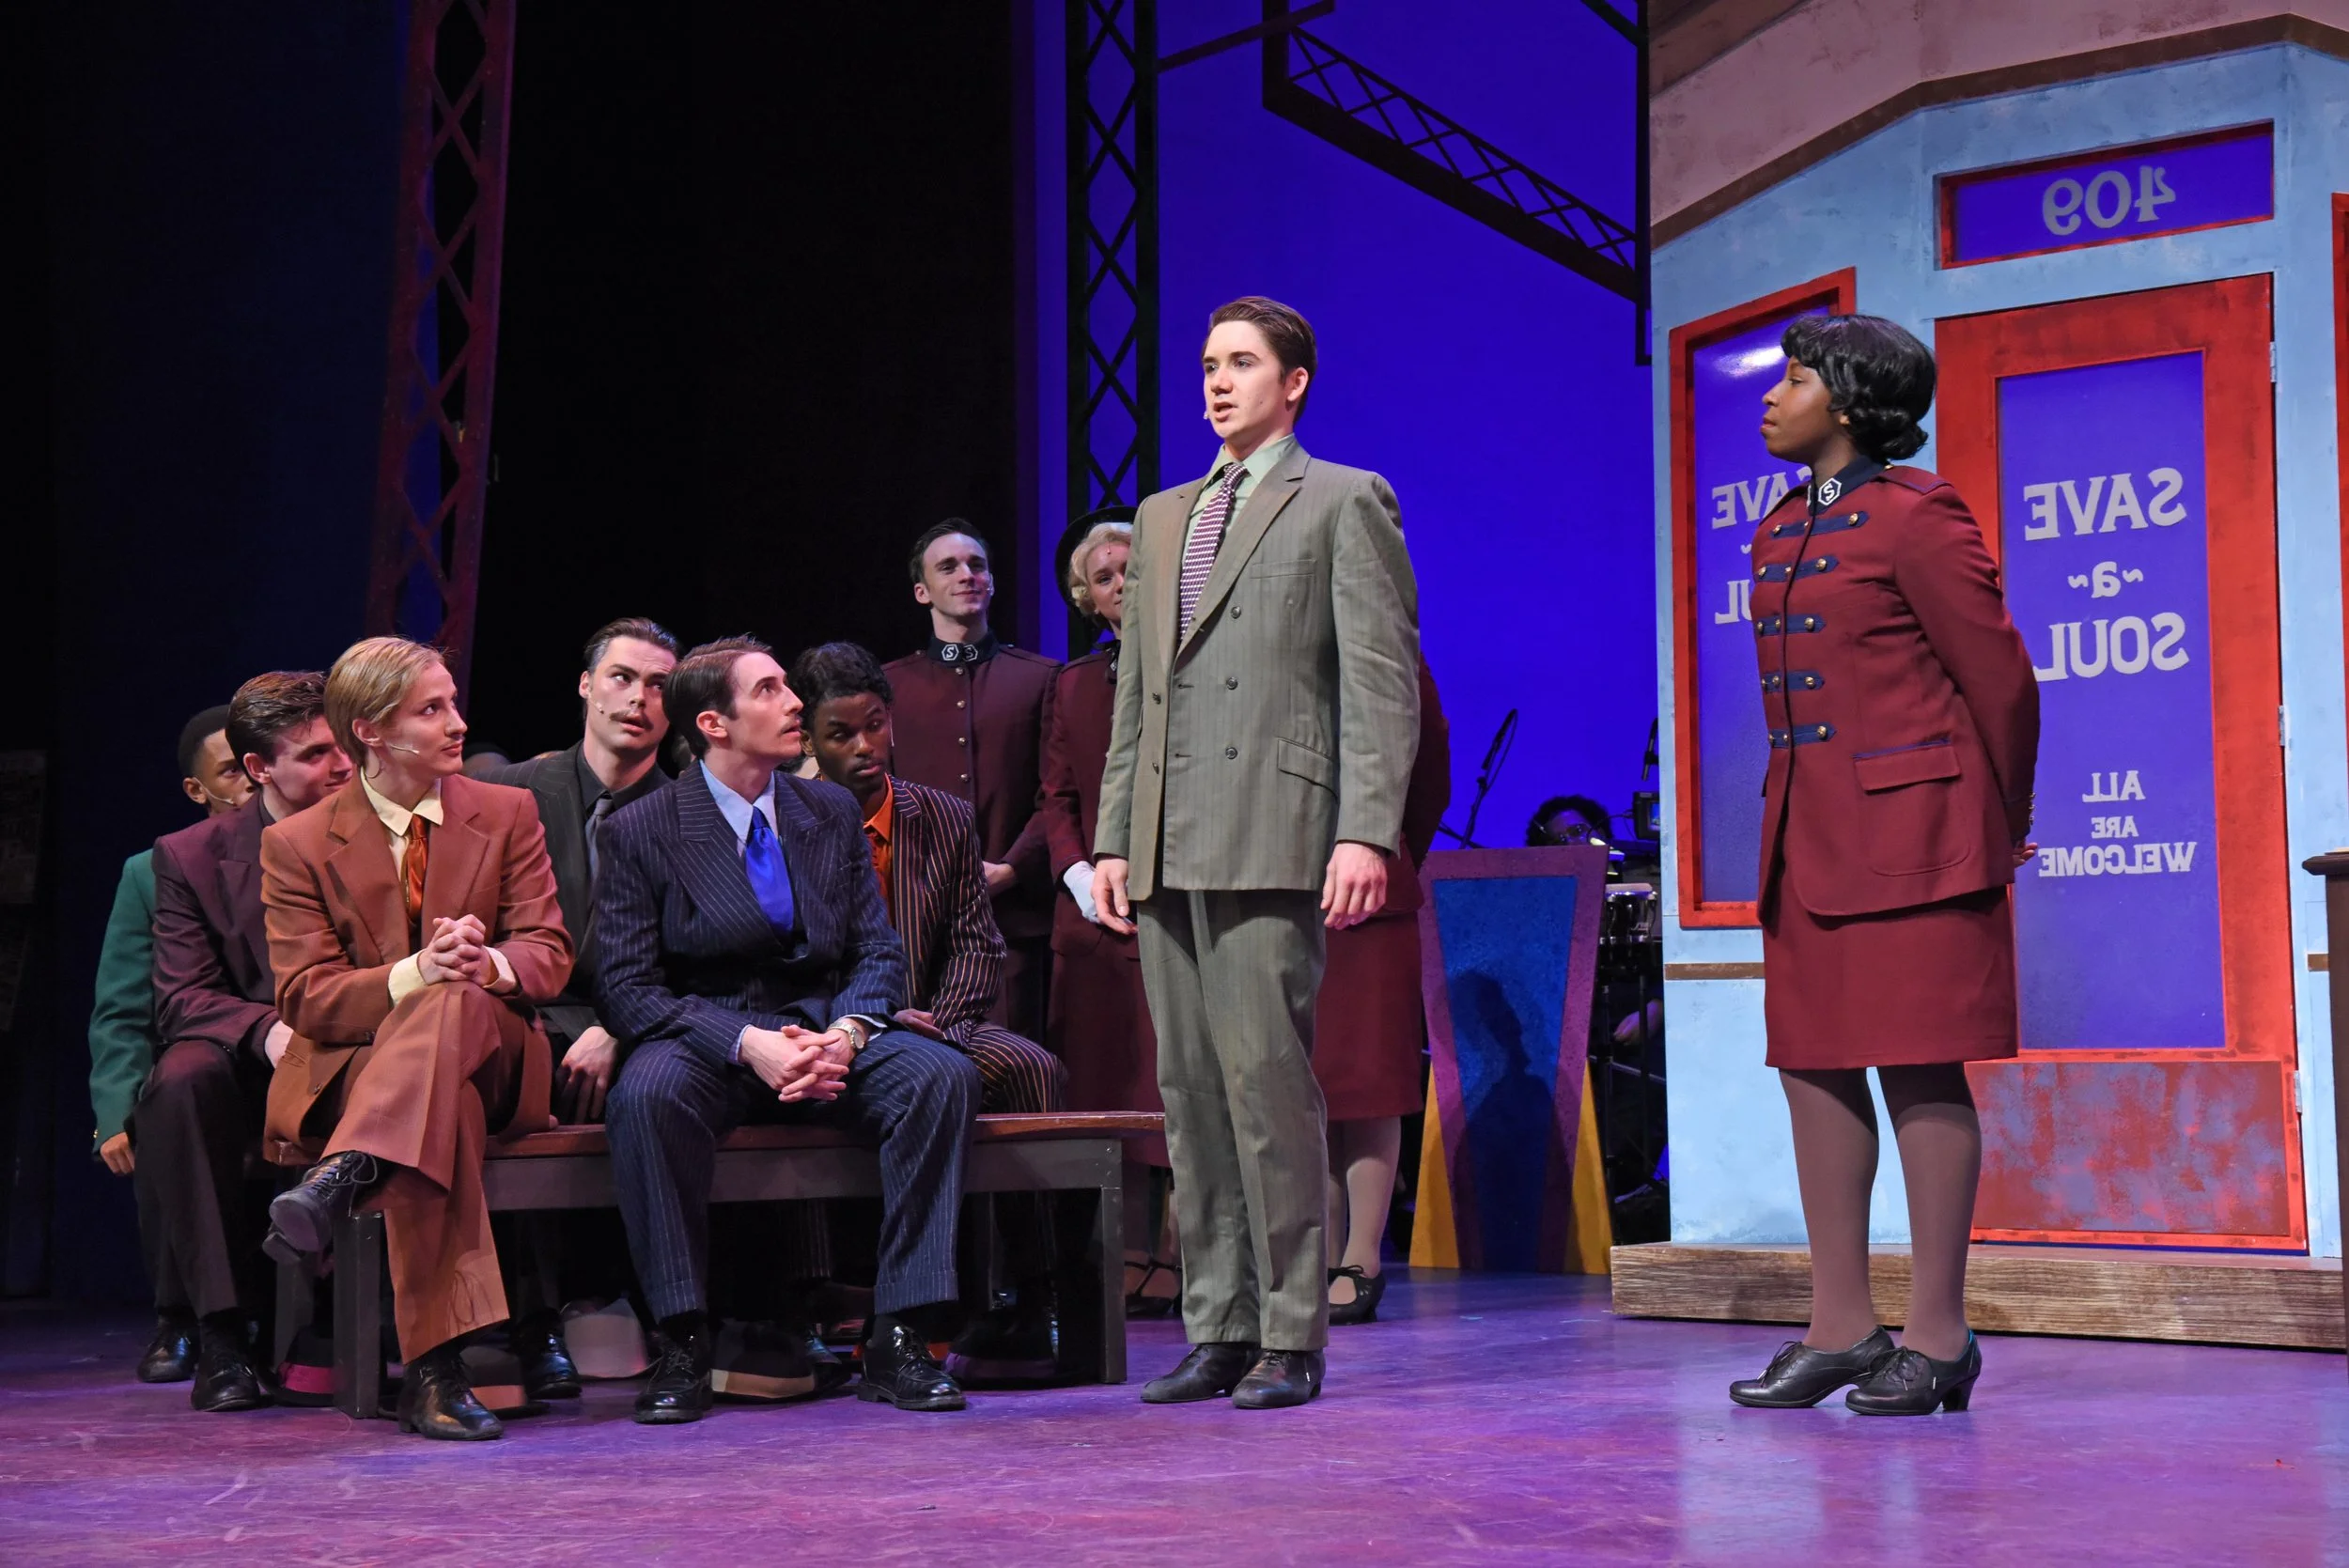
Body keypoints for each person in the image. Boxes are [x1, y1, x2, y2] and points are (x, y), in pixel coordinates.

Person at [1095, 296, 1421, 1408]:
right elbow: (1137, 696)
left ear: (1294, 382)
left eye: (1240, 362)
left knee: (1265, 1086)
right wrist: (1113, 836)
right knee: (1189, 1093)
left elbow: (1378, 682)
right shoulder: (1161, 515)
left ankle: (1290, 1327)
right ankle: (1219, 1322)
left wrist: (1364, 828)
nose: (1217, 383)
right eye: (1207, 365)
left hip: (1270, 827)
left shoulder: (1341, 498)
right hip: (1166, 834)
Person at [1727, 314, 2037, 1418]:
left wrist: (2002, 820)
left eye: (1795, 380)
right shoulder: (1781, 525)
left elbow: (1999, 680)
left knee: (1918, 1065)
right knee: (1811, 1065)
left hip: (1917, 837)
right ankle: (1841, 1326)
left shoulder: (1916, 514)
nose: (1772, 398)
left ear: (1851, 403)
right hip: (1807, 838)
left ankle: (1940, 1337)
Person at [596, 637, 981, 1423]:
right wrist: (748, 1043)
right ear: (715, 723)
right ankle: (683, 1339)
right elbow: (629, 990)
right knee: (646, 1096)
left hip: (822, 1031)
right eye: (769, 690)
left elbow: (876, 949)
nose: (794, 701)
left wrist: (846, 1034)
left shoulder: (826, 809)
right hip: (711, 1038)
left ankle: (899, 1334)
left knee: (940, 1077)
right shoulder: (643, 828)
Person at [257, 637, 573, 1441]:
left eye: (452, 702)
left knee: (455, 1001)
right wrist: (415, 971)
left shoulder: (506, 811)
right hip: (369, 1071)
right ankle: (437, 1373)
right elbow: (306, 996)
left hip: (497, 1055)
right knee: (440, 1108)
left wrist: (485, 961)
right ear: (369, 730)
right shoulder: (297, 842)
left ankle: (343, 1173)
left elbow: (548, 951)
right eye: (431, 709)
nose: (457, 722)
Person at [790, 639, 1070, 1381]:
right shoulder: (784, 822)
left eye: (875, 725)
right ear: (808, 739)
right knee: (795, 1083)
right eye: (840, 733)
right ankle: (804, 1305)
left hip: (938, 1023)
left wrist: (941, 1026)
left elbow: (978, 945)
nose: (864, 746)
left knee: (1032, 1066)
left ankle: (1034, 1295)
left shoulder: (941, 817)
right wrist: (864, 1025)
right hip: (827, 1030)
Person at [476, 616, 680, 1397]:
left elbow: (700, 956)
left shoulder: (690, 809)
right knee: (502, 1071)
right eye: (623, 677)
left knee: (664, 1081)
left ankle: (666, 1309)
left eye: (658, 685)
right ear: (587, 685)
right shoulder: (510, 794)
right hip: (525, 1008)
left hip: (638, 1019)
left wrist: (617, 1028)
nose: (638, 698)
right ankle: (519, 1320)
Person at [141, 674, 352, 1411]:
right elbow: (181, 995)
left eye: (344, 745)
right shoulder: (191, 855)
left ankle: (368, 1324)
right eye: (317, 753)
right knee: (180, 1078)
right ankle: (223, 1333)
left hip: (360, 1037)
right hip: (255, 1052)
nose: (343, 765)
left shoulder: (378, 828)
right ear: (259, 768)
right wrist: (267, 1031)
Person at [89, 705, 251, 1389]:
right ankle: (179, 1314)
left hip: (271, 1054)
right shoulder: (151, 871)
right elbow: (122, 1006)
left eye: (255, 764)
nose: (249, 782)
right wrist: (113, 1111)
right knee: (168, 1099)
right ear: (197, 789)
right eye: (230, 771)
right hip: (197, 1050)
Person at [1040, 517, 1174, 1306]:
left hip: (1178, 907)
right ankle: (1121, 1256)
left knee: (1180, 1091)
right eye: (1104, 577)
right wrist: (1079, 876)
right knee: (1107, 1094)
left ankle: (1181, 1256)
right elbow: (1055, 796)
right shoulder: (1071, 685)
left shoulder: (1194, 664)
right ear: (1085, 598)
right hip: (1097, 920)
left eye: (1132, 568)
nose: (1121, 584)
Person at [882, 522, 1059, 1038]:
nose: (966, 575)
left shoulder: (1041, 678)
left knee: (1020, 1065)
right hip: (916, 925)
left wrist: (1010, 868)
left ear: (993, 582)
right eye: (948, 567)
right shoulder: (889, 686)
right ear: (922, 592)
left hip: (1016, 922)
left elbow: (1058, 794)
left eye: (976, 565)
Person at [1315, 657, 1449, 1326]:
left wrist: (1388, 851)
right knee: (1305, 1083)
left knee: (1369, 1082)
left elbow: (1430, 777)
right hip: (1281, 885)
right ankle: (1313, 1256)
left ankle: (1361, 1257)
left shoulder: (1387, 654)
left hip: (1369, 892)